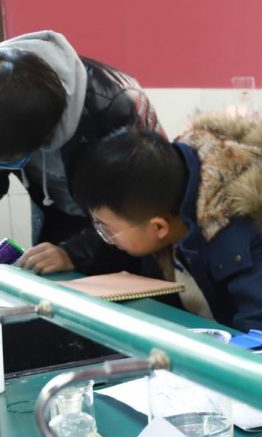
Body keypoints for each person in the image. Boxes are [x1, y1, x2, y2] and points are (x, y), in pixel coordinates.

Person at [74, 112, 262, 341]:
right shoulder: (174, 182)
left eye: (107, 229)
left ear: (159, 227)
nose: (105, 236)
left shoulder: (253, 232)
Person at [0, 30, 161, 275]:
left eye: (15, 158)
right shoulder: (7, 98)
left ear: (45, 136)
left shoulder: (115, 104)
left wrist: (74, 253)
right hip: (56, 213)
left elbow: (143, 207)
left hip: (122, 225)